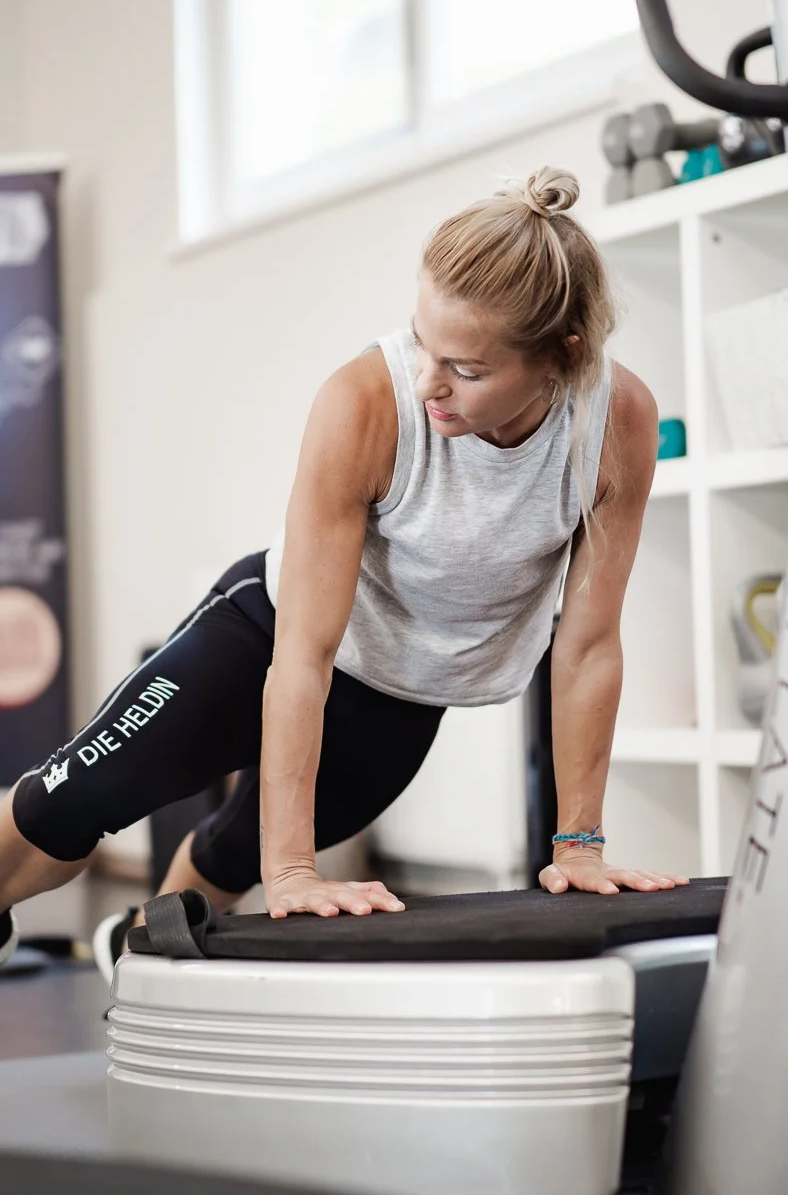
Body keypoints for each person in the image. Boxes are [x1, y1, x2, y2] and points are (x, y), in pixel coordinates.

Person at [0, 166, 688, 976]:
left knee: (230, 858)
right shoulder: (367, 401)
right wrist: (293, 872)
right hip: (267, 632)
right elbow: (304, 654)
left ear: (562, 356)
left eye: (466, 370)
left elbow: (588, 646)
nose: (431, 381)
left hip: (404, 696)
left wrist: (580, 848)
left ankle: (140, 959)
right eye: (423, 344)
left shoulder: (615, 423)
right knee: (65, 809)